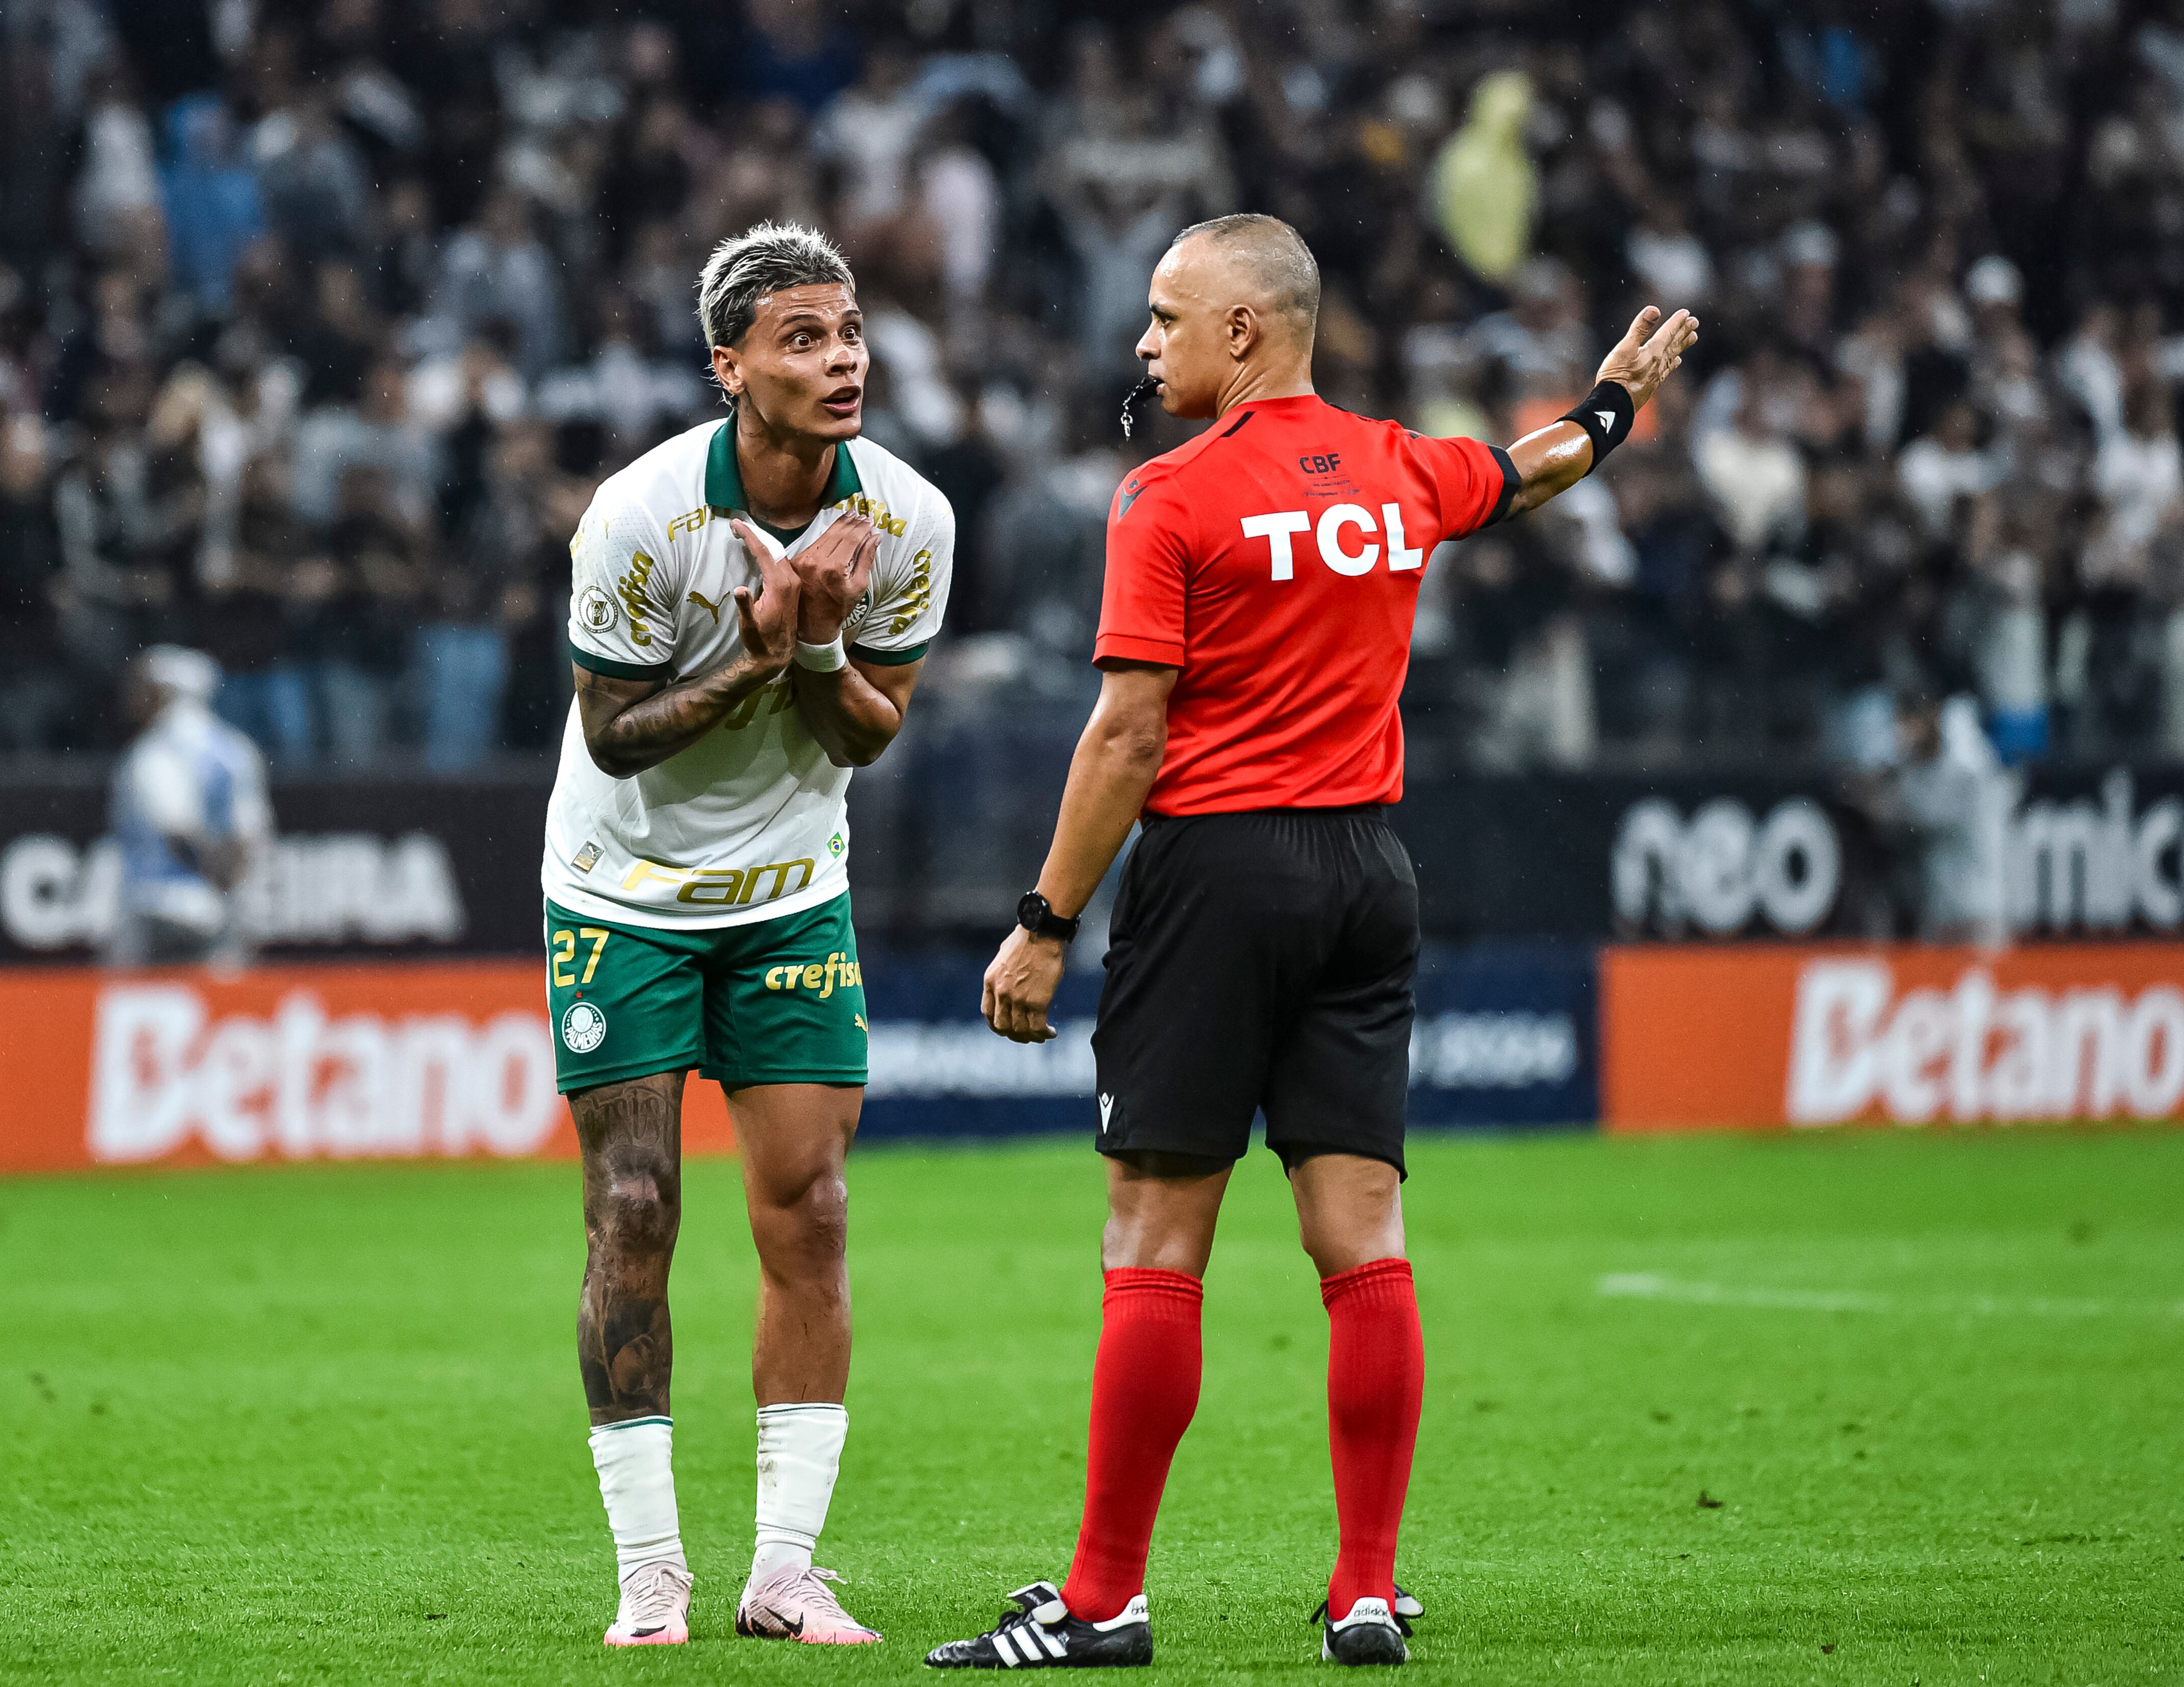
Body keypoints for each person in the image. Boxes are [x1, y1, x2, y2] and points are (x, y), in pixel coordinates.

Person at [927, 214, 1695, 1670]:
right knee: (1363, 1241)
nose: (1144, 342)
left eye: (1167, 316)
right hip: (1365, 867)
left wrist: (1042, 923)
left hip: (1219, 869)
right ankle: (1364, 1588)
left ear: (1245, 331)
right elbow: (1529, 474)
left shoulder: (1171, 494)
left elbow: (1127, 731)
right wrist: (1612, 406)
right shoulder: (1400, 466)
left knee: (1156, 1239)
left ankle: (1102, 1603)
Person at [542, 222, 954, 1650]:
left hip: (789, 893)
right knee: (636, 1208)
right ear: (730, 367)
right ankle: (651, 1570)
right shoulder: (641, 514)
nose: (841, 359)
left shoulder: (907, 516)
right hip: (624, 895)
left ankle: (784, 1571)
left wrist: (824, 647)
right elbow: (616, 733)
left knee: (814, 1214)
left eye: (849, 334)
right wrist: (756, 653)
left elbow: (874, 733)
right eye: (801, 338)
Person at [103, 645, 272, 969]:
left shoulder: (154, 751)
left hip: (155, 907)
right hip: (217, 911)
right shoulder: (237, 750)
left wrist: (210, 873)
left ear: (165, 692)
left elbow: (177, 832)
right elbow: (248, 835)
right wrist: (226, 889)